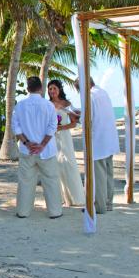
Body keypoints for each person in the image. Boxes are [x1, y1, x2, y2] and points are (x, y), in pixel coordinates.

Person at [12, 76, 62, 219]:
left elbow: (16, 128)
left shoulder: (20, 105)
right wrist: (42, 145)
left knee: (25, 181)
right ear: (41, 88)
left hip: (27, 150)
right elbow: (52, 127)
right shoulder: (48, 105)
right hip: (46, 150)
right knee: (51, 180)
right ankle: (55, 211)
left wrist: (27, 143)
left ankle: (23, 211)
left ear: (28, 89)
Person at [74, 76, 120, 214]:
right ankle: (108, 203)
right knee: (108, 174)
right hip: (109, 138)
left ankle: (99, 206)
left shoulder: (90, 97)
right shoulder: (103, 92)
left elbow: (88, 119)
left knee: (99, 175)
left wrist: (77, 117)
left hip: (98, 141)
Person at [47, 80, 85, 207]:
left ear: (59, 89)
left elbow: (74, 122)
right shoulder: (47, 104)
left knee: (69, 163)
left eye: (54, 88)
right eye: (50, 89)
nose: (52, 91)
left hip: (64, 137)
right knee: (56, 165)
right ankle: (61, 198)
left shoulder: (67, 104)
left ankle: (75, 197)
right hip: (51, 138)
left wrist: (61, 128)